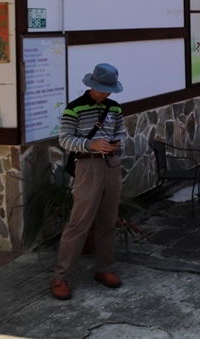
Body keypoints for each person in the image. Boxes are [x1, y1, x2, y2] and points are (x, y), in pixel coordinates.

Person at [50, 63, 126, 301]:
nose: (106, 93)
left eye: (109, 89)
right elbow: (64, 139)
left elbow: (122, 131)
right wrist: (90, 144)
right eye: (102, 88)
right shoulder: (74, 108)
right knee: (79, 222)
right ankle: (61, 277)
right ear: (92, 85)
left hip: (112, 165)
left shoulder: (115, 107)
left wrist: (116, 141)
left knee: (108, 221)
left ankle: (105, 268)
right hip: (87, 165)